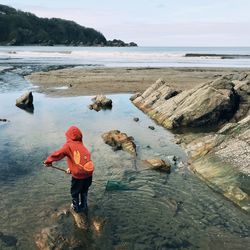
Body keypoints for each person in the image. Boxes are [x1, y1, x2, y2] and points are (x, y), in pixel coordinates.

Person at [43, 126, 94, 213]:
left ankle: (76, 207)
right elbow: (79, 160)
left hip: (78, 175)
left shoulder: (68, 146)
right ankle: (84, 205)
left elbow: (58, 154)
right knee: (84, 190)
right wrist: (71, 168)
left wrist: (48, 161)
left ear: (68, 137)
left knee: (75, 191)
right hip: (89, 173)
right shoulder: (82, 145)